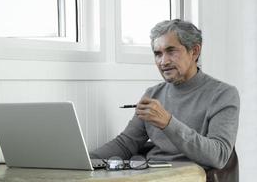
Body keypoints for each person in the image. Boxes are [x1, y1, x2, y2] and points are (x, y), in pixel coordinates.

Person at [90, 19, 240, 169]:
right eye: (158, 54)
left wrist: (168, 123)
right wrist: (85, 160)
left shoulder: (224, 94)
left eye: (171, 51)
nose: (163, 62)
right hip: (150, 175)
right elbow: (126, 144)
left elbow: (218, 156)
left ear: (194, 51)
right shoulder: (153, 94)